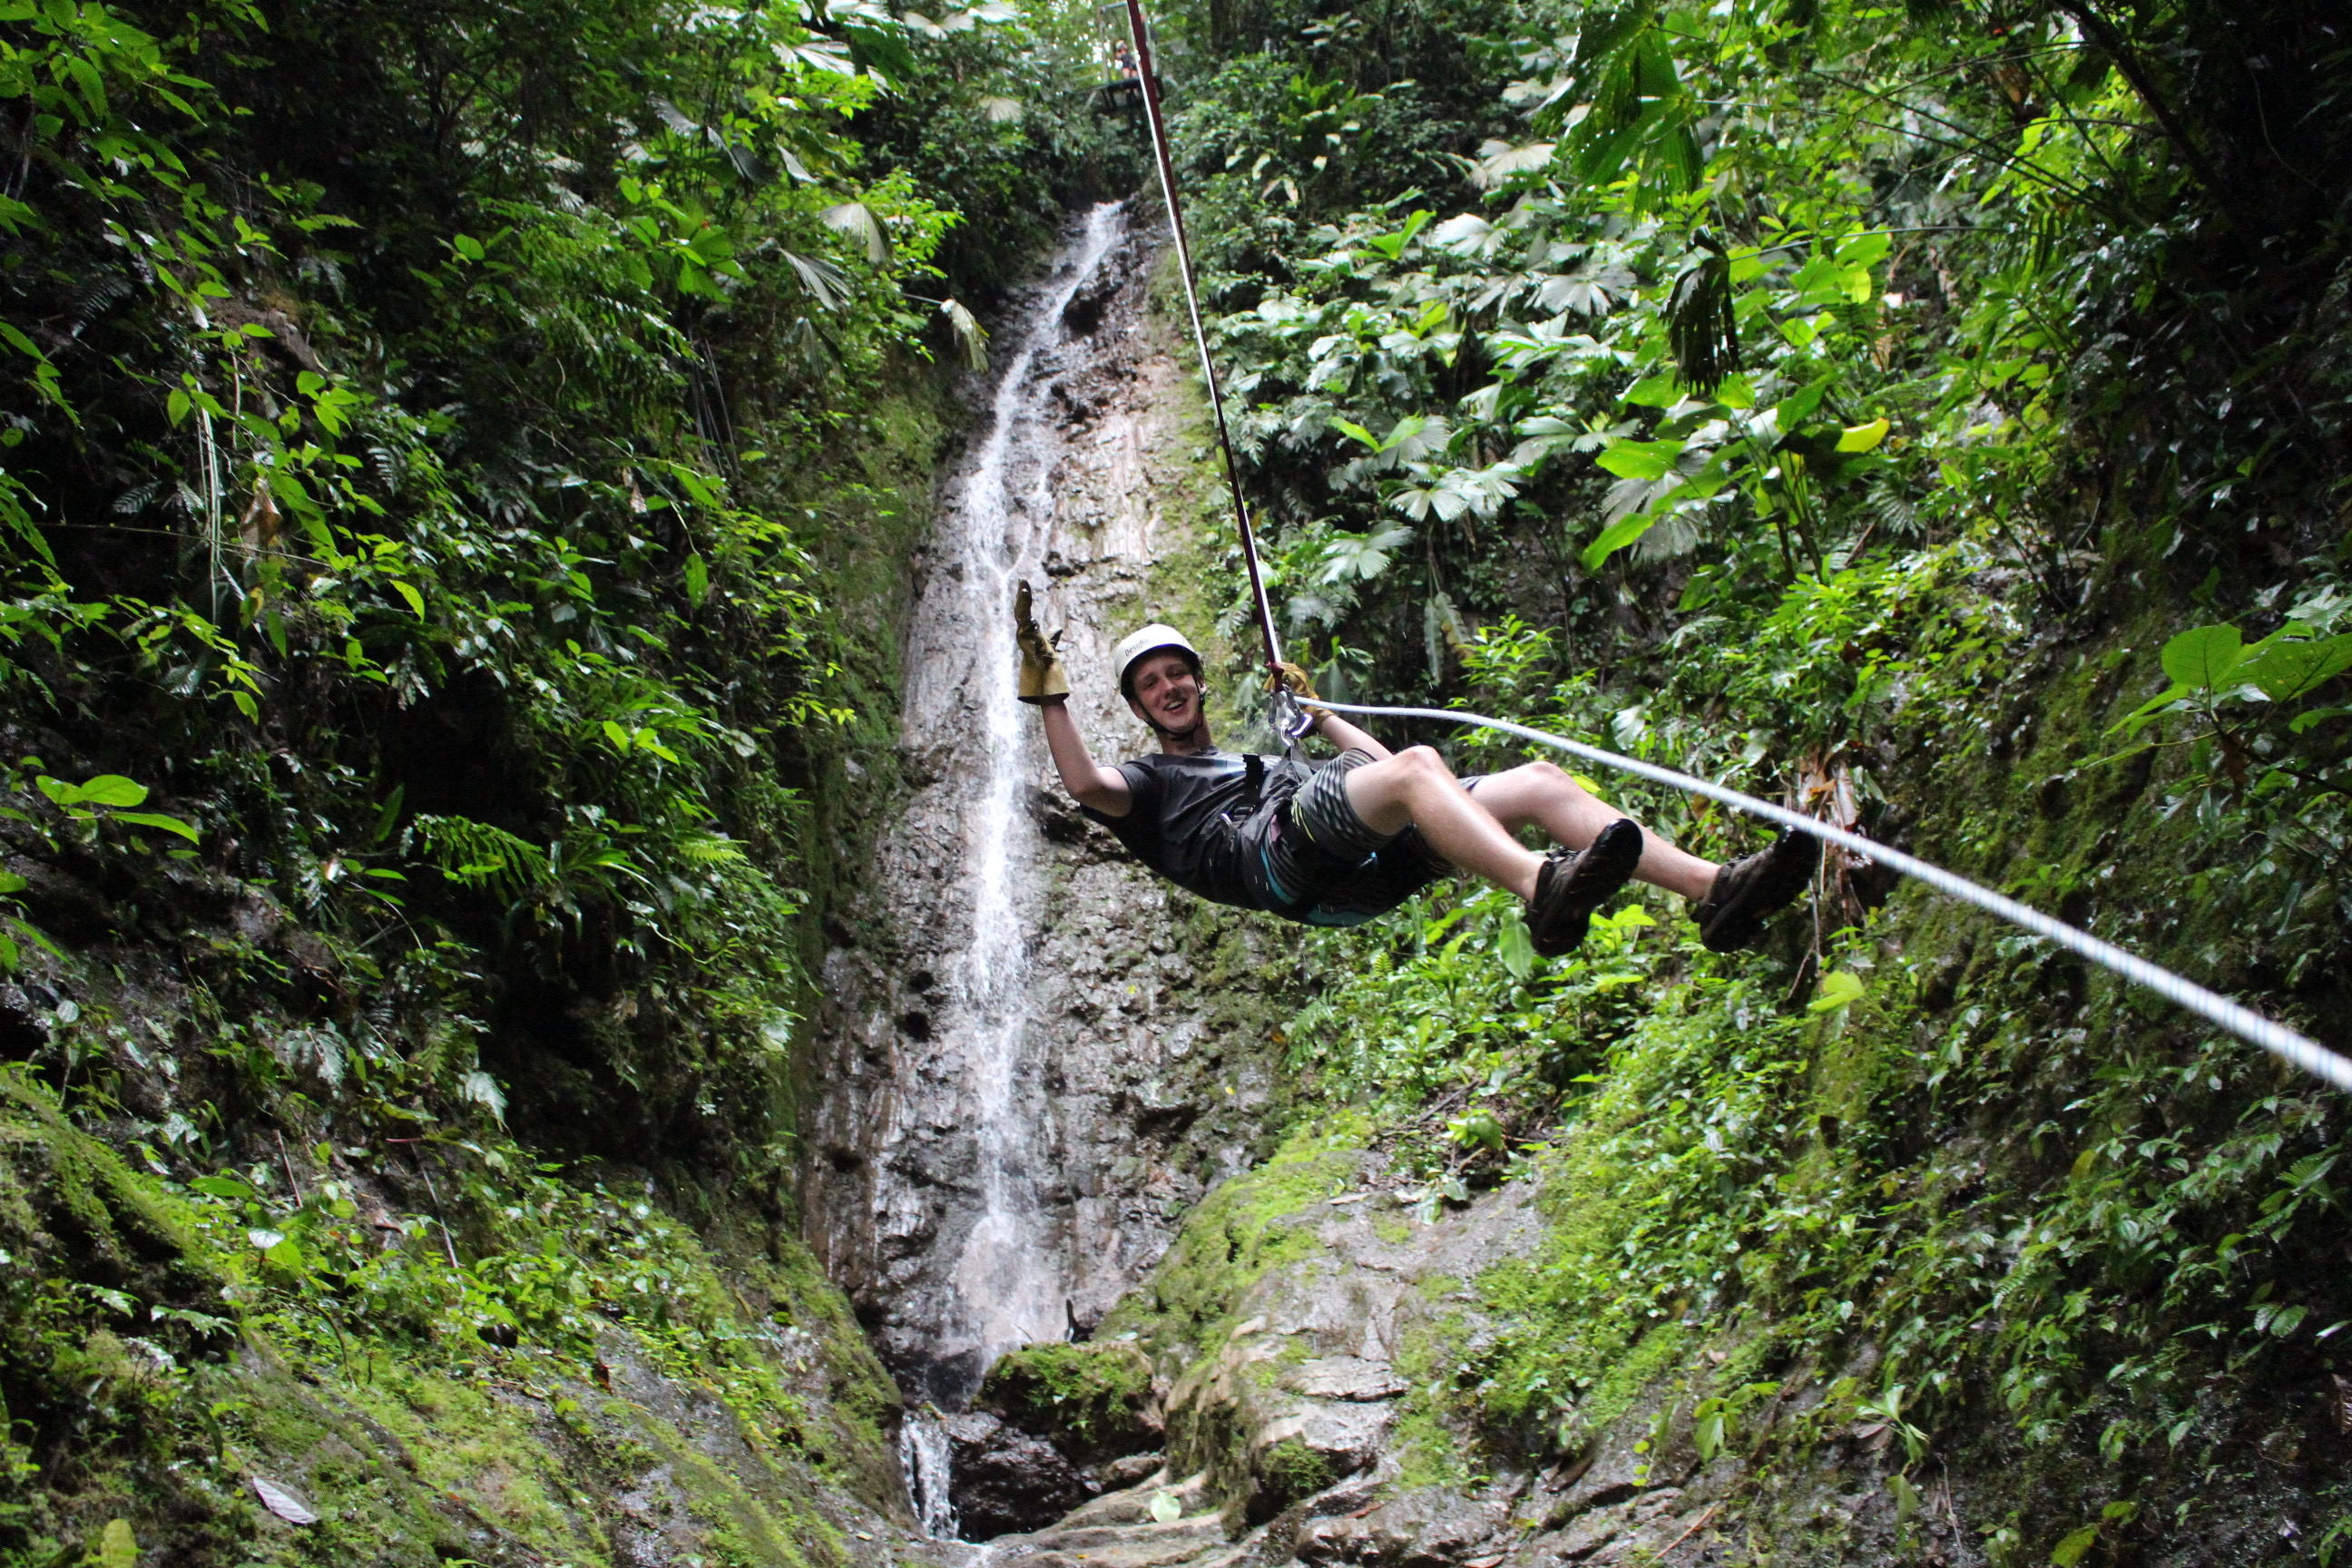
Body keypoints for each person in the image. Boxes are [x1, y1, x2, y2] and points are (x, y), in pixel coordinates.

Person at [1014, 583, 1818, 956]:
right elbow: (1086, 787)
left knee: (1534, 779)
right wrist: (1050, 691)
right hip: (1271, 861)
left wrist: (1319, 714)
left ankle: (1718, 892)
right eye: (1150, 684)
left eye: (1176, 672)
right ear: (1141, 708)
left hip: (1355, 879)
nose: (1170, 688)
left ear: (1194, 677)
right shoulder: (1149, 786)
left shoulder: (1258, 759)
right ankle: (1542, 887)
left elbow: (1383, 771)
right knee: (1420, 768)